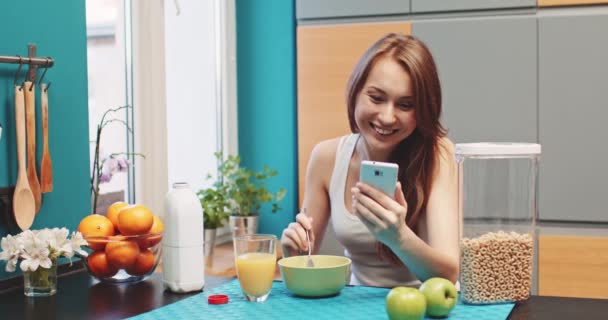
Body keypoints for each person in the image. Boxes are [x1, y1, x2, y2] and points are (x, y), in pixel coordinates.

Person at [281, 33, 459, 288]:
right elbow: (307, 262)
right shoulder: (326, 157)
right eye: (376, 98)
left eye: (406, 105)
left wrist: (398, 237)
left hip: (426, 306)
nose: (387, 117)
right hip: (357, 306)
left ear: (422, 110)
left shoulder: (438, 155)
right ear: (356, 92)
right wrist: (294, 255)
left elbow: (448, 275)